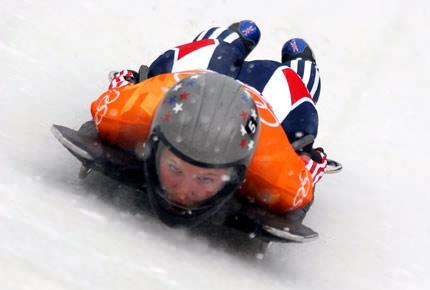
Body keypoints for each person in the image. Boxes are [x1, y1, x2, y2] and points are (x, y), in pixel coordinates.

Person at [95, 20, 328, 241]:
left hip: (269, 103)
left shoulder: (277, 176)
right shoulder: (131, 115)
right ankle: (244, 38)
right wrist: (310, 156)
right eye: (175, 168)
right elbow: (312, 166)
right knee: (215, 52)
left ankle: (288, 57)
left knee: (293, 92)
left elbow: (123, 82)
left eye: (206, 178)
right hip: (191, 79)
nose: (184, 193)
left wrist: (305, 154)